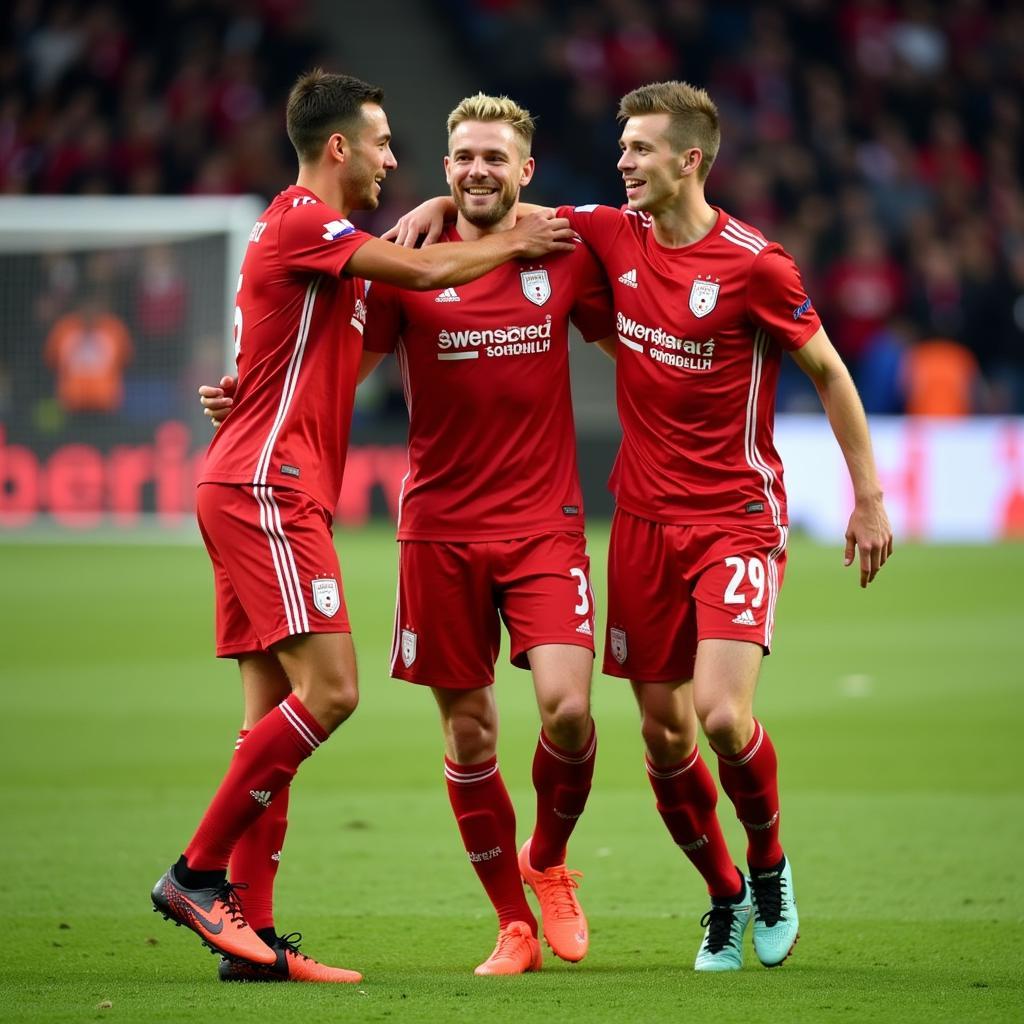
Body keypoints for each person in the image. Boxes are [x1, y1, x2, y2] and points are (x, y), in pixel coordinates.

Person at [389, 80, 893, 972]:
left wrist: (869, 496)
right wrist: (436, 199)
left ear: (689, 160)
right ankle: (723, 894)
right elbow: (503, 199)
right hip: (642, 522)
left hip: (734, 515)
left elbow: (828, 369)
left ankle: (770, 867)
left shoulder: (757, 264)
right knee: (664, 735)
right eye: (621, 148)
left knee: (722, 716)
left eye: (640, 150)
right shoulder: (610, 234)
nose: (623, 162)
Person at [150, 68, 575, 984]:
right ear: (339, 146)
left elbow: (307, 324)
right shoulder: (306, 219)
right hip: (269, 487)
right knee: (333, 693)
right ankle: (196, 874)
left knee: (268, 719)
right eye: (383, 143)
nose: (394, 157)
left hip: (250, 477)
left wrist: (437, 202)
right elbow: (422, 269)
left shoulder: (312, 231)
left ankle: (253, 940)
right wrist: (512, 240)